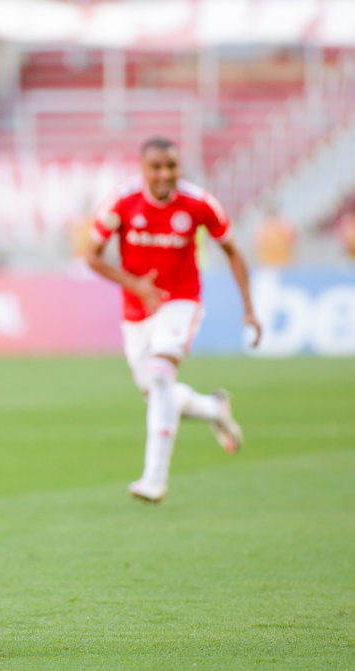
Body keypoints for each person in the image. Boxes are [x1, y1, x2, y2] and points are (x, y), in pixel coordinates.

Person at [87, 137, 262, 503]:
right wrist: (135, 284)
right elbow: (92, 255)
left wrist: (249, 307)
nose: (165, 174)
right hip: (137, 310)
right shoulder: (122, 201)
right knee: (155, 392)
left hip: (182, 301)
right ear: (143, 168)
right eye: (157, 167)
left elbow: (233, 251)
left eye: (172, 166)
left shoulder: (199, 203)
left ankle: (155, 478)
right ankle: (215, 407)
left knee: (161, 376)